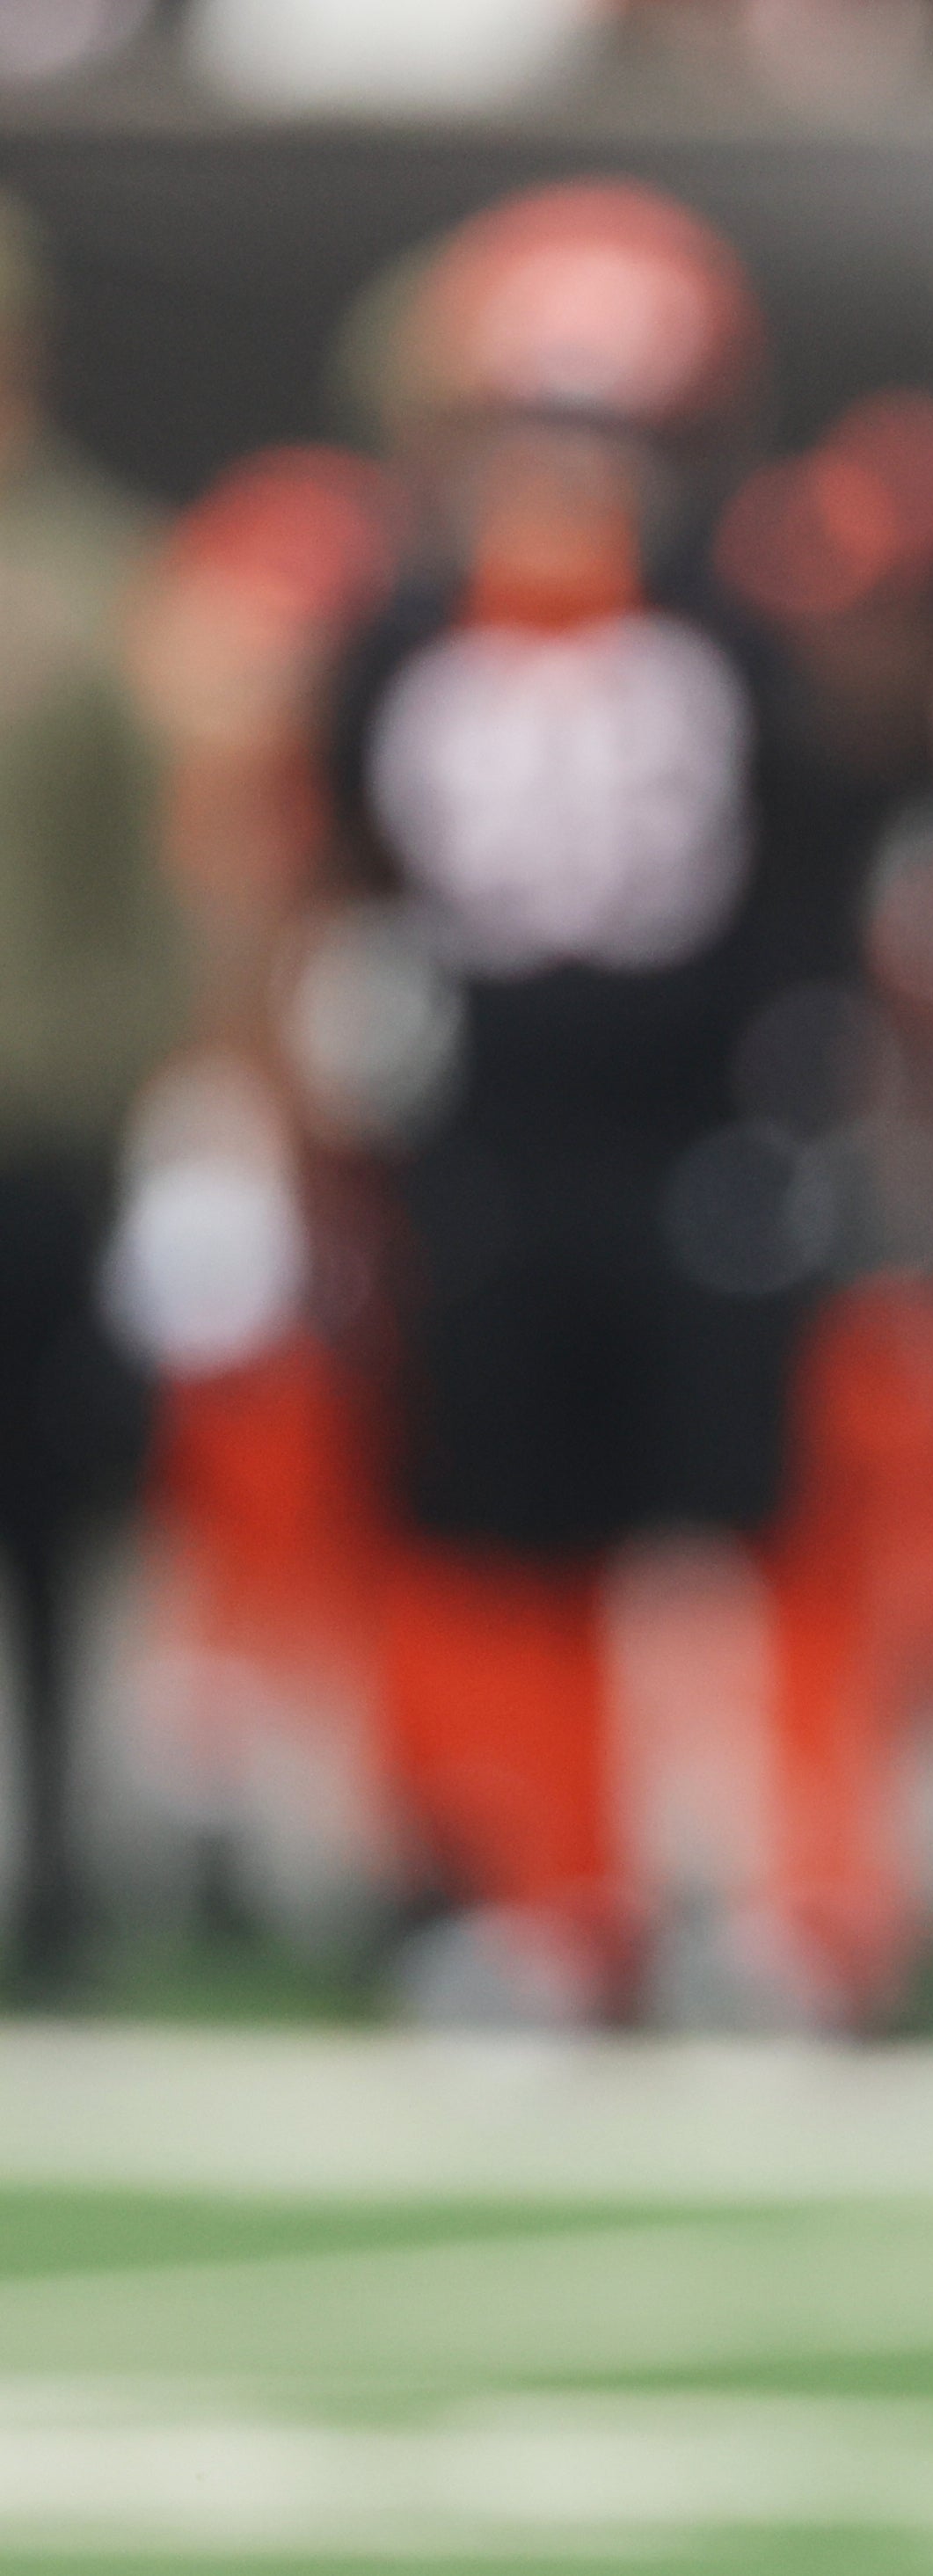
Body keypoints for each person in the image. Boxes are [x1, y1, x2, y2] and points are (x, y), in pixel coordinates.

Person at [327, 180, 873, 2022]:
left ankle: (803, 1904)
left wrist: (805, 1096)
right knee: (507, 1527)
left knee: (753, 1535)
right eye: (534, 425)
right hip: (487, 1139)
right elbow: (344, 875)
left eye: (613, 431)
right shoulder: (396, 630)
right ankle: (560, 1900)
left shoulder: (745, 629)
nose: (570, 469)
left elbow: (821, 880)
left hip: (705, 1135)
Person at [0, 191, 173, 1997]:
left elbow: (152, 883)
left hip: (32, 1120)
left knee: (56, 1516)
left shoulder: (96, 574)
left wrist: (123, 1082)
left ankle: (60, 1868)